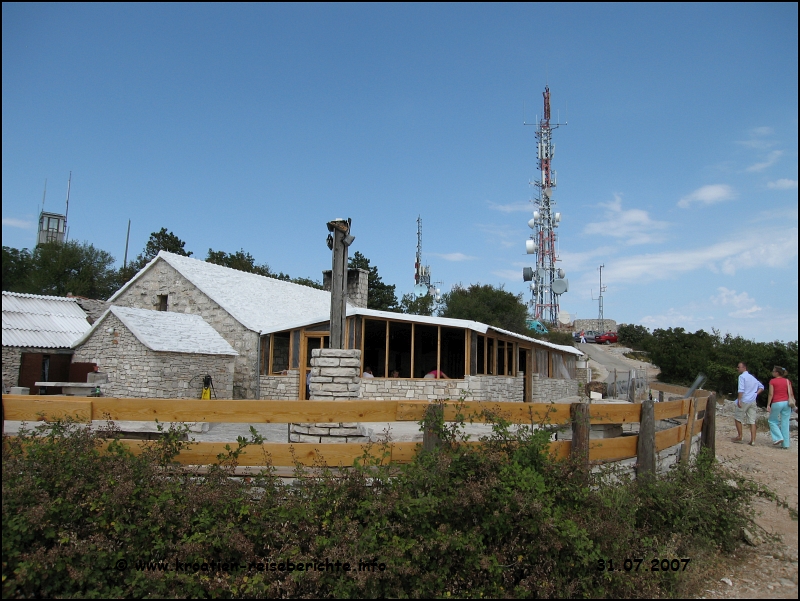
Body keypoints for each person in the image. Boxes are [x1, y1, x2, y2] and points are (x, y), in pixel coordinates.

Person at [732, 361, 763, 446]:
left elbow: (741, 389)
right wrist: (756, 394)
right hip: (752, 400)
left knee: (738, 418)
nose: (737, 368)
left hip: (745, 399)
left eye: (739, 367)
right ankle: (753, 440)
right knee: (752, 420)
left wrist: (739, 400)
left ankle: (740, 436)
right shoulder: (752, 377)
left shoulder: (742, 377)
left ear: (744, 367)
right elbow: (761, 387)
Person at [767, 366, 793, 450]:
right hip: (786, 403)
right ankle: (786, 444)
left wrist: (768, 404)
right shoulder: (787, 381)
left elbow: (771, 394)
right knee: (785, 422)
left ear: (777, 373)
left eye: (773, 371)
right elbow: (791, 393)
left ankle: (778, 437)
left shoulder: (772, 381)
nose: (772, 372)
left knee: (772, 421)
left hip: (777, 402)